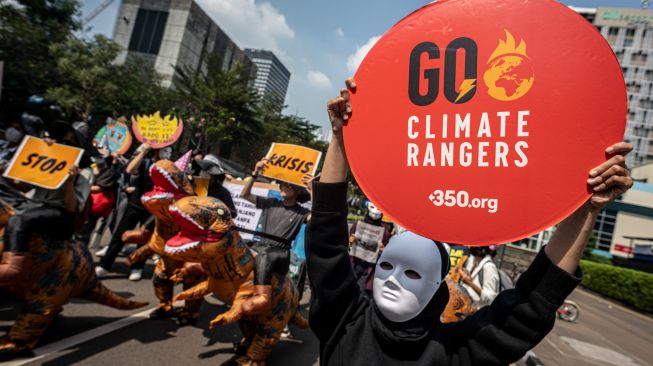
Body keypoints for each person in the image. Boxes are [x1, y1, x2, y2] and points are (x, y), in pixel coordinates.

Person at [305, 78, 634, 365]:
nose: (392, 281)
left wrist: (586, 207)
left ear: (438, 288)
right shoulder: (344, 320)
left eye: (413, 272)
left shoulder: (455, 353)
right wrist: (339, 137)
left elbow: (531, 305)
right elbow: (326, 242)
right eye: (387, 267)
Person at [1, 121, 93, 284]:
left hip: (60, 213)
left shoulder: (85, 171)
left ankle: (13, 268)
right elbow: (21, 185)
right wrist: (37, 152)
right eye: (62, 138)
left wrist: (69, 182)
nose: (65, 142)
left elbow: (72, 207)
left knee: (19, 219)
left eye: (71, 139)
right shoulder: (47, 158)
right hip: (32, 204)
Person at [239, 159, 311, 314]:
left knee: (266, 258)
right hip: (259, 249)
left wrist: (313, 190)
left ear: (297, 191)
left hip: (279, 254)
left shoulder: (302, 213)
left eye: (288, 185)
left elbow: (319, 218)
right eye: (282, 184)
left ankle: (266, 302)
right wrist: (254, 174)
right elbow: (244, 194)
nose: (283, 187)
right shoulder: (270, 203)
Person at [95, 143, 171, 281]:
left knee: (143, 238)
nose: (166, 152)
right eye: (163, 149)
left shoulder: (169, 167)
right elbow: (129, 170)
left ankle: (137, 267)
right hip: (136, 204)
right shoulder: (145, 162)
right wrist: (144, 150)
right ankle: (104, 265)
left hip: (153, 208)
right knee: (121, 234)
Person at [348, 201, 392, 294]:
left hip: (369, 271)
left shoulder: (385, 233)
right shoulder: (357, 225)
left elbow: (385, 254)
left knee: (361, 293)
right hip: (353, 264)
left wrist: (383, 250)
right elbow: (348, 244)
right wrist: (350, 241)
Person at [196, 154, 237, 218]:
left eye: (208, 172)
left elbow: (233, 213)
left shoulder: (223, 192)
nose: (203, 174)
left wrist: (217, 208)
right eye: (203, 170)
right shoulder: (192, 184)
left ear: (214, 175)